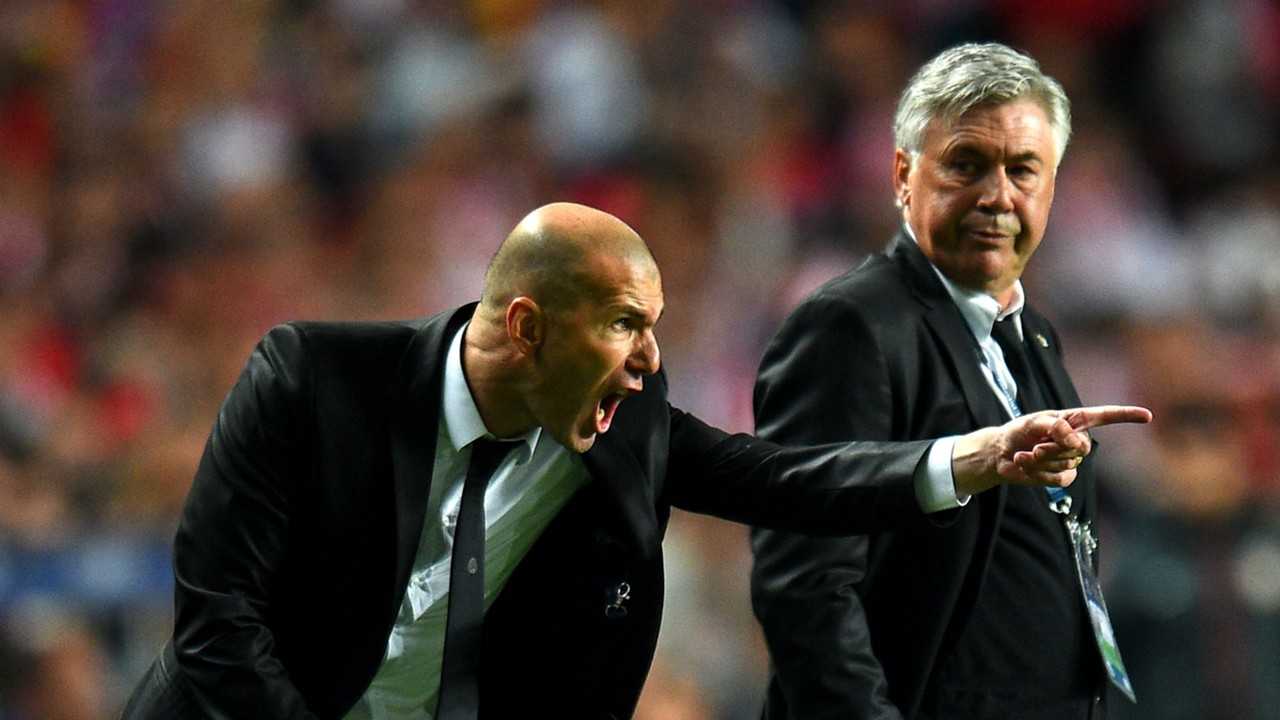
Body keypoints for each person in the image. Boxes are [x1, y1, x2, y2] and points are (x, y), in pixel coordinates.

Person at [121, 202, 1147, 720]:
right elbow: (220, 626)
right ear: (526, 326)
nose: (652, 359)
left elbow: (777, 479)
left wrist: (968, 457)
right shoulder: (311, 382)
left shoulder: (621, 422)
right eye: (623, 324)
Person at [751, 43, 1130, 720]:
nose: (998, 196)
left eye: (1023, 169)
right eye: (966, 164)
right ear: (903, 175)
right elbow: (806, 585)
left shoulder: (1035, 335)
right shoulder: (850, 327)